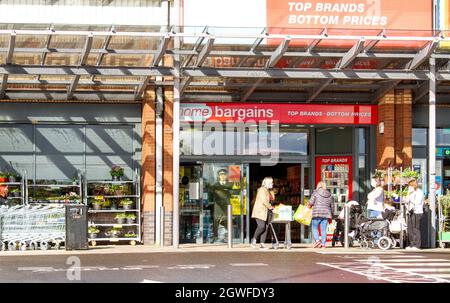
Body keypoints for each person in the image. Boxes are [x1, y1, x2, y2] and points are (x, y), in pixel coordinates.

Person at [209, 168, 233, 243]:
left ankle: (227, 237)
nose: (222, 176)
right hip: (218, 206)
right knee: (216, 221)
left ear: (226, 176)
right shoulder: (215, 185)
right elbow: (211, 195)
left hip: (226, 206)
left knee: (227, 221)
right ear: (218, 176)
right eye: (221, 174)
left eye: (224, 174)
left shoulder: (230, 184)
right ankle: (215, 236)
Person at [251, 177, 275, 250]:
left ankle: (262, 244)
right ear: (267, 183)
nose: (272, 184)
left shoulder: (269, 191)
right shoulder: (262, 190)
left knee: (266, 228)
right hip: (260, 212)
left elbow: (272, 200)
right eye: (271, 182)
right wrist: (271, 207)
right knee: (261, 226)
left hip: (267, 212)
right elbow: (264, 201)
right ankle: (254, 240)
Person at [309, 181, 333, 248]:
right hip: (326, 214)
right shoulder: (329, 194)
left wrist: (309, 205)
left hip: (317, 213)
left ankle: (317, 241)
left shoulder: (315, 192)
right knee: (323, 230)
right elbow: (332, 206)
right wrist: (332, 216)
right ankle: (323, 244)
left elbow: (311, 202)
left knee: (314, 228)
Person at [405, 178, 424, 250]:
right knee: (410, 229)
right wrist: (409, 194)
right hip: (410, 212)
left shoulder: (419, 192)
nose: (409, 187)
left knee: (416, 228)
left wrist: (411, 196)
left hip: (417, 212)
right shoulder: (410, 193)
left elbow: (417, 202)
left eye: (411, 186)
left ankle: (417, 245)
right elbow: (406, 200)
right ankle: (412, 243)